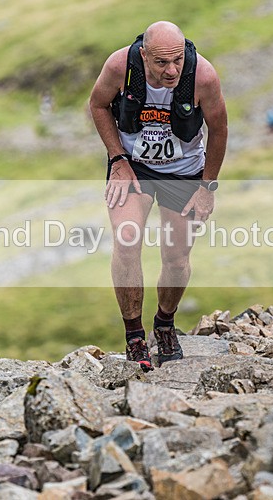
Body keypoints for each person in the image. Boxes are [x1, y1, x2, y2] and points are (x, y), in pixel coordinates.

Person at [89, 21, 227, 370]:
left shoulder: (203, 77)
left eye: (178, 60)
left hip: (184, 171)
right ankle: (134, 336)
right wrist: (117, 158)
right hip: (134, 167)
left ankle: (164, 324)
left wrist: (208, 187)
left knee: (177, 257)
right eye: (162, 63)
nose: (172, 70)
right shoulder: (120, 66)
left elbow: (219, 128)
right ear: (145, 55)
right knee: (126, 238)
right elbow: (98, 104)